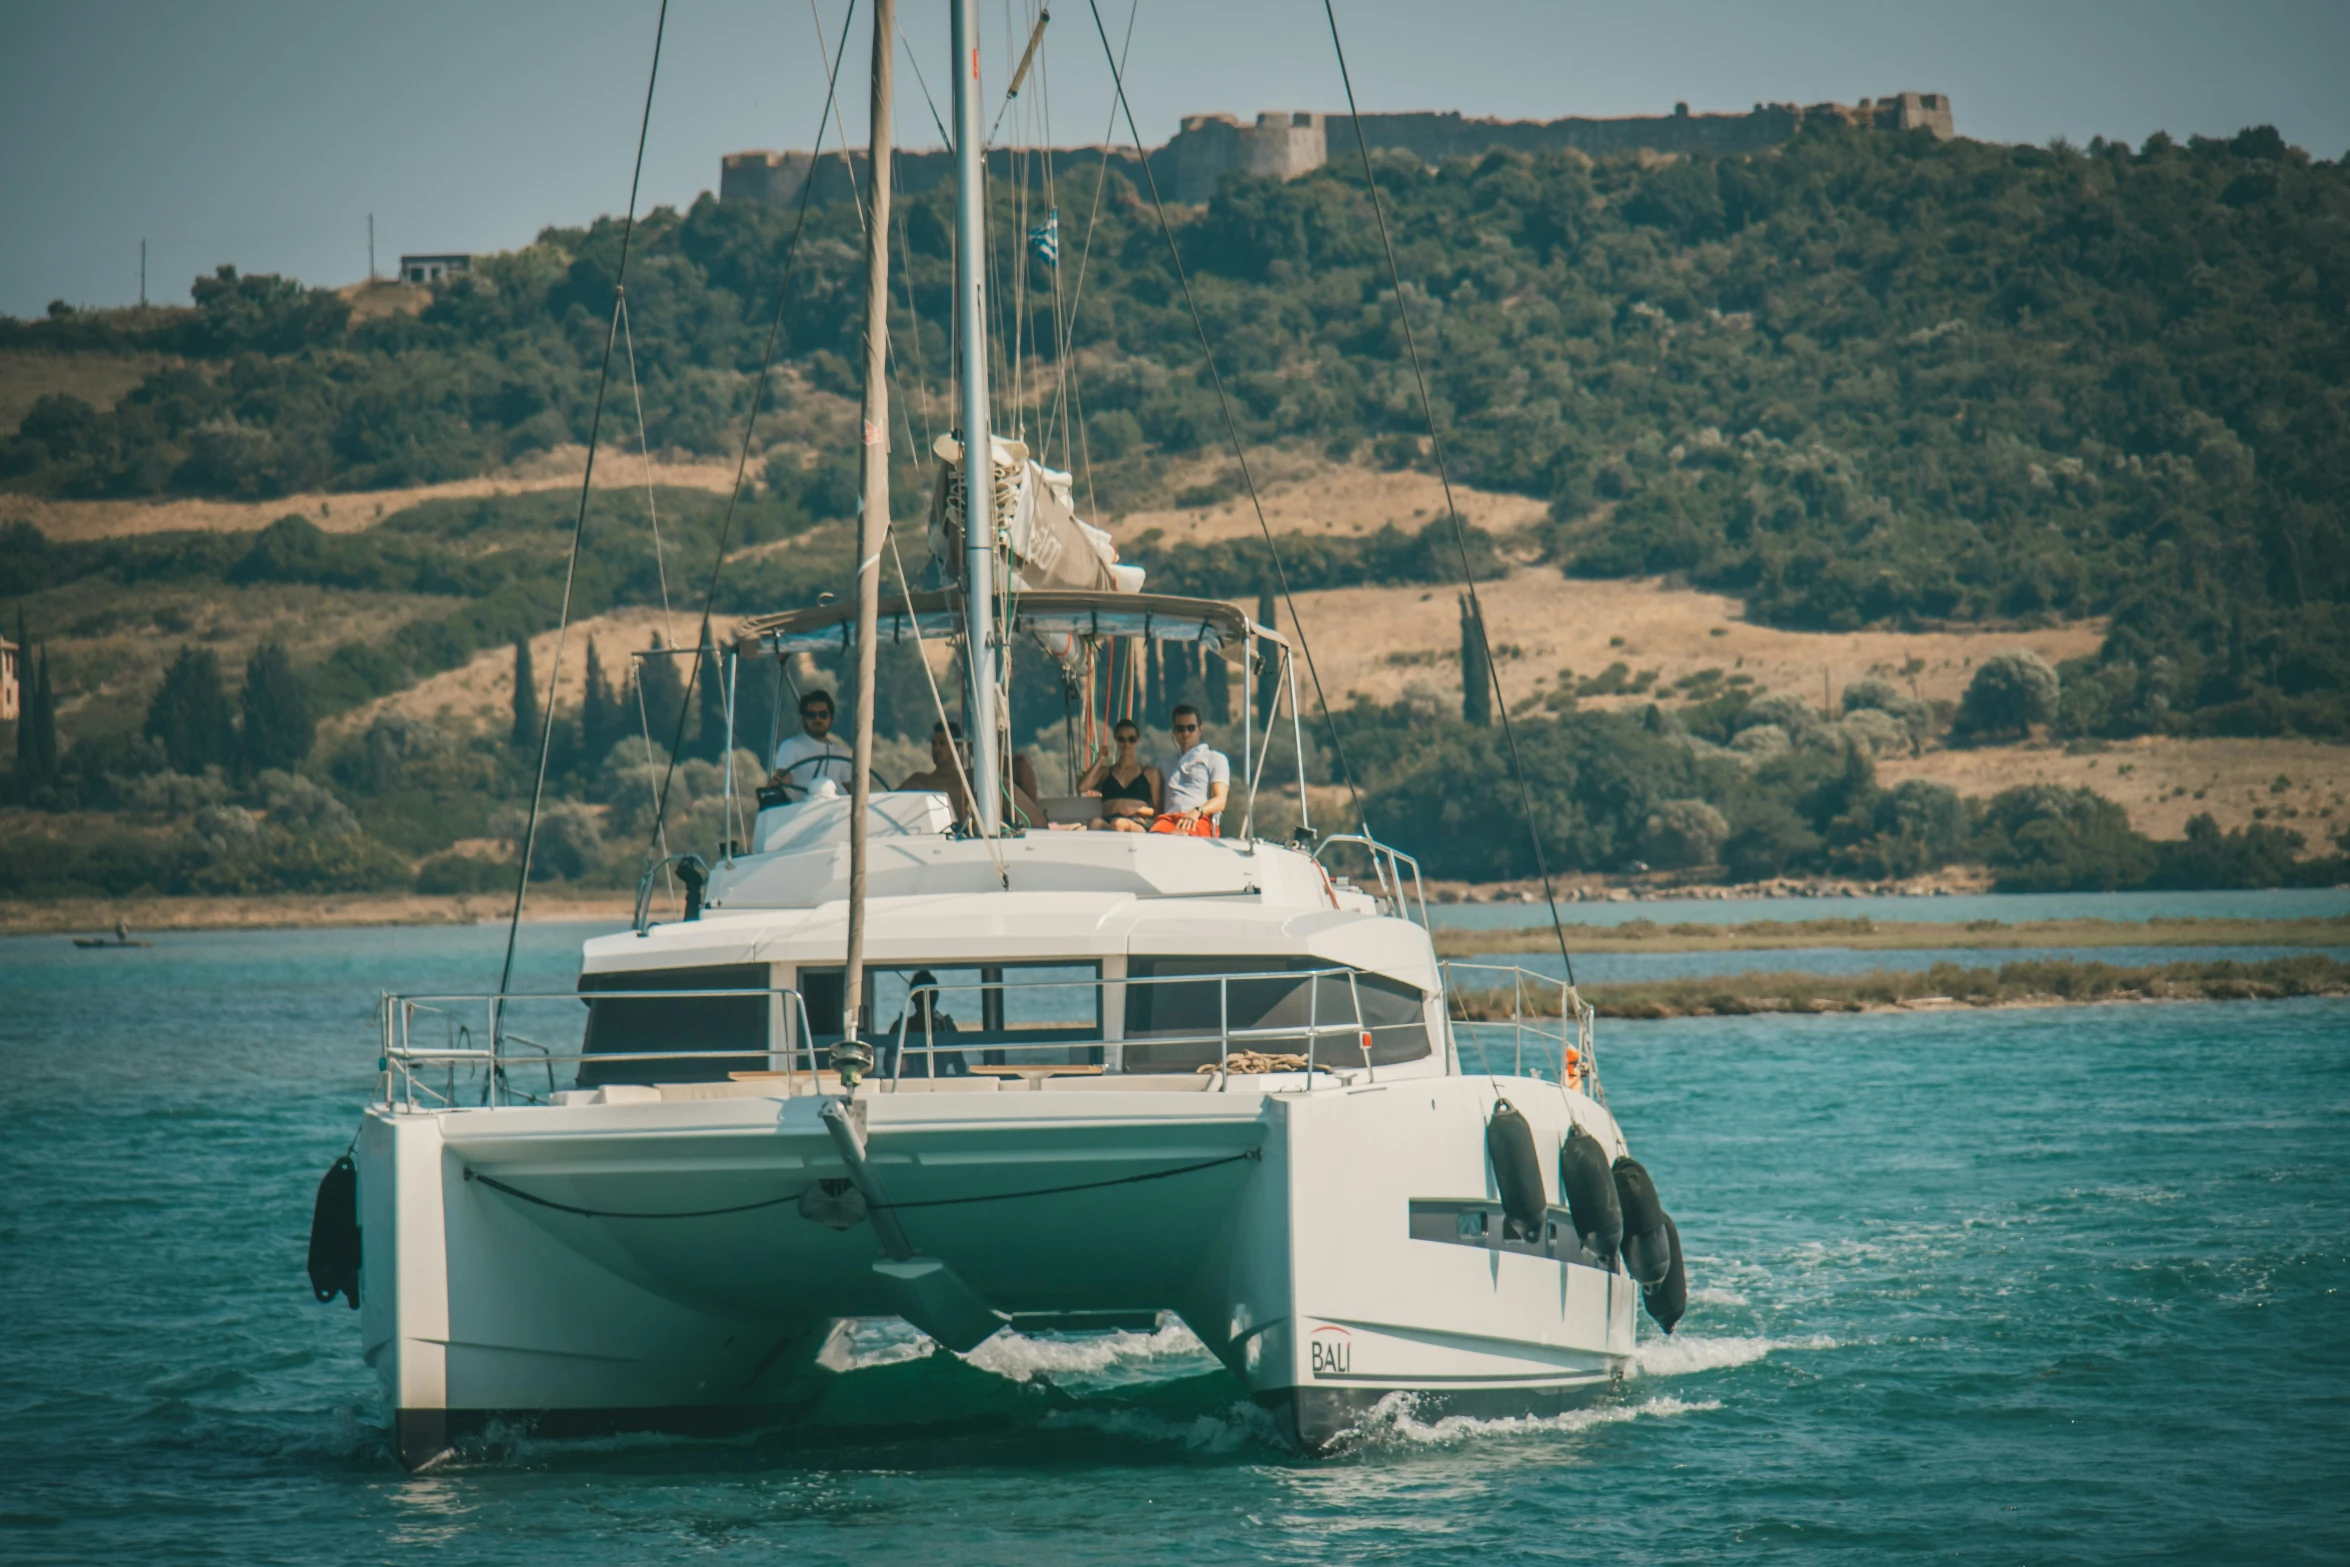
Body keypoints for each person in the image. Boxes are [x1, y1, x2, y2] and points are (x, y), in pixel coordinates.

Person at [897, 721, 1043, 828]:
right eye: (934, 743)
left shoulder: (974, 780)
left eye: (943, 743)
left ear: (958, 746)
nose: (936, 748)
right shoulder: (918, 782)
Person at [1153, 704, 1228, 837]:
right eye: (1180, 728)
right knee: (1151, 840)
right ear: (1174, 732)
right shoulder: (1163, 764)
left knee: (1178, 836)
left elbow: (1220, 800)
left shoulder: (1214, 758)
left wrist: (1197, 812)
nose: (1185, 733)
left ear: (1200, 730)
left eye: (1191, 728)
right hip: (1167, 819)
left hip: (1199, 819)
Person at [767, 690, 855, 803]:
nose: (817, 719)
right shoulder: (790, 746)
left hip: (839, 812)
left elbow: (852, 790)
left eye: (823, 715)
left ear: (831, 719)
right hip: (805, 811)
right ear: (804, 719)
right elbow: (784, 777)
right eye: (811, 715)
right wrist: (777, 782)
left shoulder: (841, 753)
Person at [1077, 719, 1162, 832]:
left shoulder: (1149, 772)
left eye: (1131, 739)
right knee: (1094, 822)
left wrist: (1137, 810)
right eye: (1121, 739)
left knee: (1118, 824)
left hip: (1135, 823)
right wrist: (1099, 761)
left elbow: (1158, 811)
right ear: (1116, 741)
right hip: (1107, 822)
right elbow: (1082, 787)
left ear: (1137, 740)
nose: (1126, 744)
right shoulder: (1106, 772)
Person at [880, 969, 967, 1078]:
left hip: (939, 1083)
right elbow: (889, 1068)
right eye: (921, 999)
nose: (926, 1000)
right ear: (913, 998)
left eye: (931, 996)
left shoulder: (946, 1027)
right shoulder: (900, 1028)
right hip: (907, 1085)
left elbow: (960, 1066)